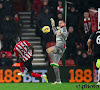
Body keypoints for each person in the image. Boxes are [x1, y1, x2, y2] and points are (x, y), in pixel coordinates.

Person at [46, 19, 68, 84]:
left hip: (60, 47)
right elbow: (55, 32)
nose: (59, 24)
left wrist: (61, 32)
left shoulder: (64, 29)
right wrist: (53, 25)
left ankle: (55, 61)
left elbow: (65, 36)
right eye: (59, 23)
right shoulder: (59, 30)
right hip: (59, 48)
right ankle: (58, 81)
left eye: (61, 23)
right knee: (55, 66)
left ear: (64, 24)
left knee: (48, 50)